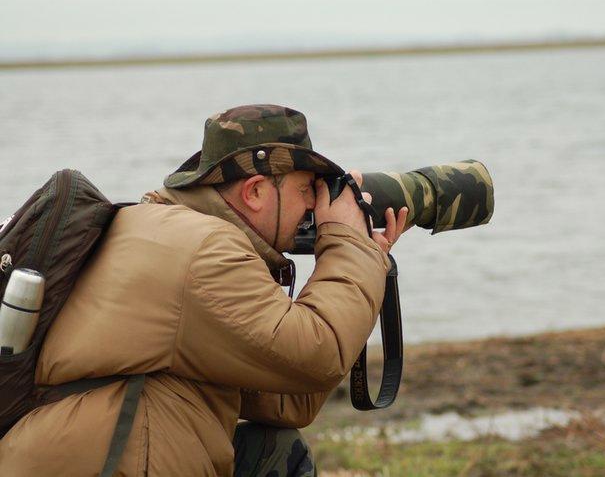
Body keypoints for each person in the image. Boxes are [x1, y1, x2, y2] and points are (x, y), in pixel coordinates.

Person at [0, 105, 408, 476]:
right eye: (306, 189)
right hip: (104, 466)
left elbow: (290, 394)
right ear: (254, 191)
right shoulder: (202, 247)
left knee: (276, 450)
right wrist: (346, 243)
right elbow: (316, 352)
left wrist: (362, 260)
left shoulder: (164, 230)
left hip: (75, 457)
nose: (314, 208)